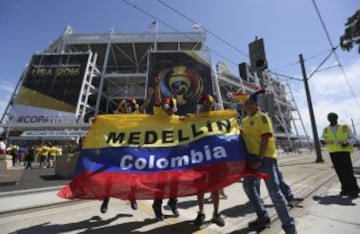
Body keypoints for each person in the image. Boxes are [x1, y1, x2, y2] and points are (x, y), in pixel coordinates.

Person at [234, 89, 296, 234]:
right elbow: (247, 137)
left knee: (274, 193)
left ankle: (289, 227)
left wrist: (260, 159)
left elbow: (265, 138)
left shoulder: (262, 117)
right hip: (251, 159)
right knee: (249, 186)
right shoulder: (245, 120)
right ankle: (262, 216)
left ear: (256, 105)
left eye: (250, 103)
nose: (247, 106)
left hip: (265, 159)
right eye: (245, 104)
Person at [100, 88, 154, 214]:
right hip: (116, 152)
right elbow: (103, 124)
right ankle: (106, 200)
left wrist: (149, 96)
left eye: (130, 107)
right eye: (126, 106)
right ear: (122, 108)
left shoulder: (134, 116)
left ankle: (133, 198)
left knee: (132, 178)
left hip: (130, 151)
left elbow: (144, 106)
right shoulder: (115, 119)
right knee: (111, 178)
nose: (129, 109)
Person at [192, 94, 225, 227]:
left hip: (213, 157)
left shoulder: (217, 118)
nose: (207, 104)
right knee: (200, 187)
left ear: (212, 105)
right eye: (205, 102)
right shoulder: (194, 118)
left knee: (215, 187)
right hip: (199, 157)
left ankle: (216, 214)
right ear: (201, 104)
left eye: (209, 102)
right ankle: (201, 212)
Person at [151, 73, 179, 220]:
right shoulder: (158, 113)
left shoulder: (177, 119)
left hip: (174, 154)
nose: (168, 109)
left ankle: (173, 202)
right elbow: (156, 99)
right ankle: (157, 205)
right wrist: (157, 85)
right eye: (166, 105)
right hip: (160, 153)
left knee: (175, 180)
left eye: (171, 107)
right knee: (161, 182)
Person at [320, 112, 360, 198]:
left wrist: (348, 142)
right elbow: (323, 137)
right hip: (333, 152)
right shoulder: (326, 129)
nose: (330, 118)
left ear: (336, 118)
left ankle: (354, 190)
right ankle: (345, 189)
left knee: (348, 171)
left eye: (332, 117)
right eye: (328, 117)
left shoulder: (344, 127)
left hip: (343, 152)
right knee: (340, 172)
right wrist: (322, 140)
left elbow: (354, 138)